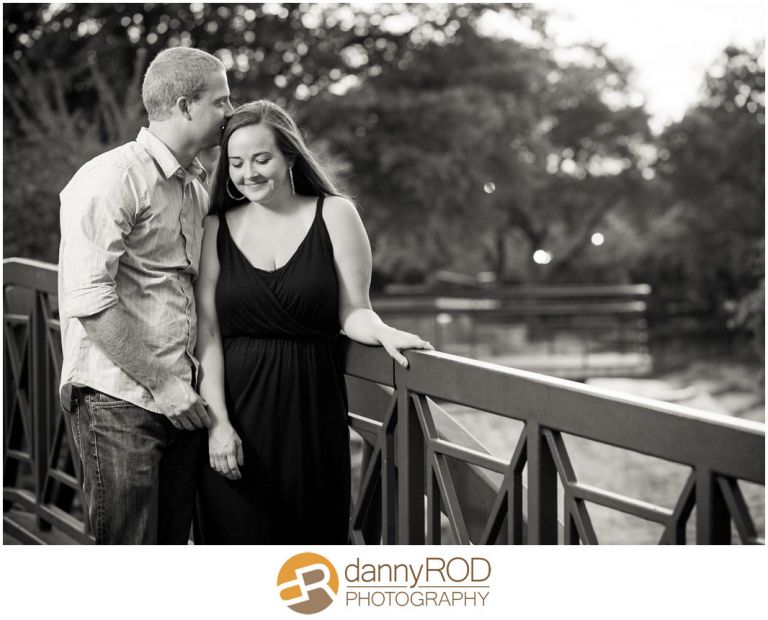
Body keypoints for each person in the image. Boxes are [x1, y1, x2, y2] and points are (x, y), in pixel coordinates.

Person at [194, 100, 433, 544]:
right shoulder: (214, 228)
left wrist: (382, 331)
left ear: (289, 157)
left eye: (261, 159)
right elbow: (206, 331)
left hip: (312, 414)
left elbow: (353, 309)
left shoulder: (335, 214)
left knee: (311, 553)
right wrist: (217, 424)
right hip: (235, 418)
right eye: (237, 163)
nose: (249, 173)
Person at [57, 47, 234, 544]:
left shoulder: (193, 188)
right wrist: (163, 385)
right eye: (221, 100)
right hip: (120, 401)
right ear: (185, 106)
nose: (230, 111)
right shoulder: (113, 177)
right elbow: (88, 298)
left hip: (182, 402)